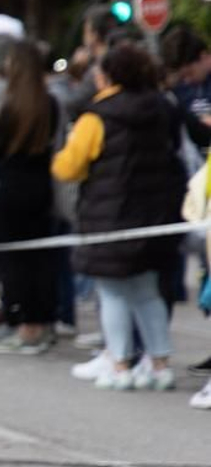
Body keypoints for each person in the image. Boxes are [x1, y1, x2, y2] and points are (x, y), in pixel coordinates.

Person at [53, 41, 184, 392]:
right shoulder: (162, 107)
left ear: (108, 75)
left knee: (112, 292)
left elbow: (68, 167)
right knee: (147, 291)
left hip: (109, 215)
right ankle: (160, 365)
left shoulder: (97, 116)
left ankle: (119, 363)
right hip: (154, 214)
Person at [0, 40, 62, 355]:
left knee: (15, 261)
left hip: (12, 188)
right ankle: (43, 322)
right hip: (41, 187)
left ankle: (25, 325)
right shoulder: (49, 103)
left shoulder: (11, 105)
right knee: (40, 258)